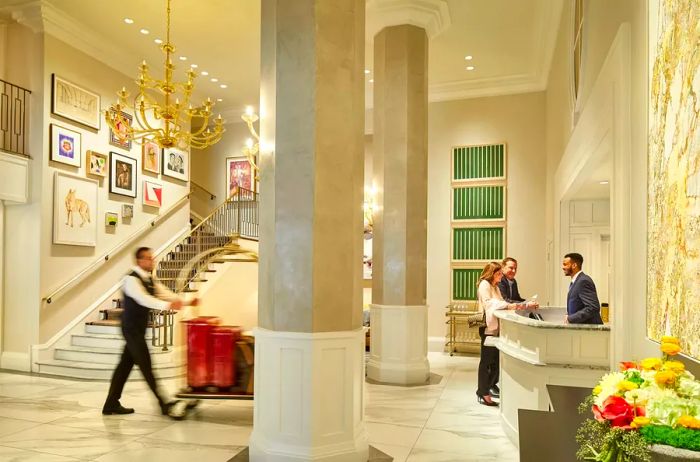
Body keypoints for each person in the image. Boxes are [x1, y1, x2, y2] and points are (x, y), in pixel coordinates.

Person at [102, 247, 199, 417]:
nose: (151, 261)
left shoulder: (150, 279)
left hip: (138, 330)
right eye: (148, 258)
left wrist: (187, 302)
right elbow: (143, 299)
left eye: (152, 258)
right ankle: (165, 404)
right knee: (146, 366)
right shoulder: (130, 279)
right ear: (139, 261)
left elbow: (165, 294)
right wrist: (167, 306)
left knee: (124, 367)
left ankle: (111, 403)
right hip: (131, 329)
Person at [475, 261, 536, 407]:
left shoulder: (495, 287)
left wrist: (517, 305)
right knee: (487, 361)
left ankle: (485, 388)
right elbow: (489, 303)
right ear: (492, 273)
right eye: (499, 274)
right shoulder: (485, 284)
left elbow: (501, 301)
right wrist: (509, 305)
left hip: (496, 328)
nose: (501, 277)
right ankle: (483, 392)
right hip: (488, 328)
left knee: (496, 361)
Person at [562, 252, 603, 325]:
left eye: (565, 264)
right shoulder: (576, 281)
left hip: (589, 332)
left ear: (574, 265)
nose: (563, 267)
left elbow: (593, 307)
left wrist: (570, 318)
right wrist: (568, 315)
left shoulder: (583, 281)